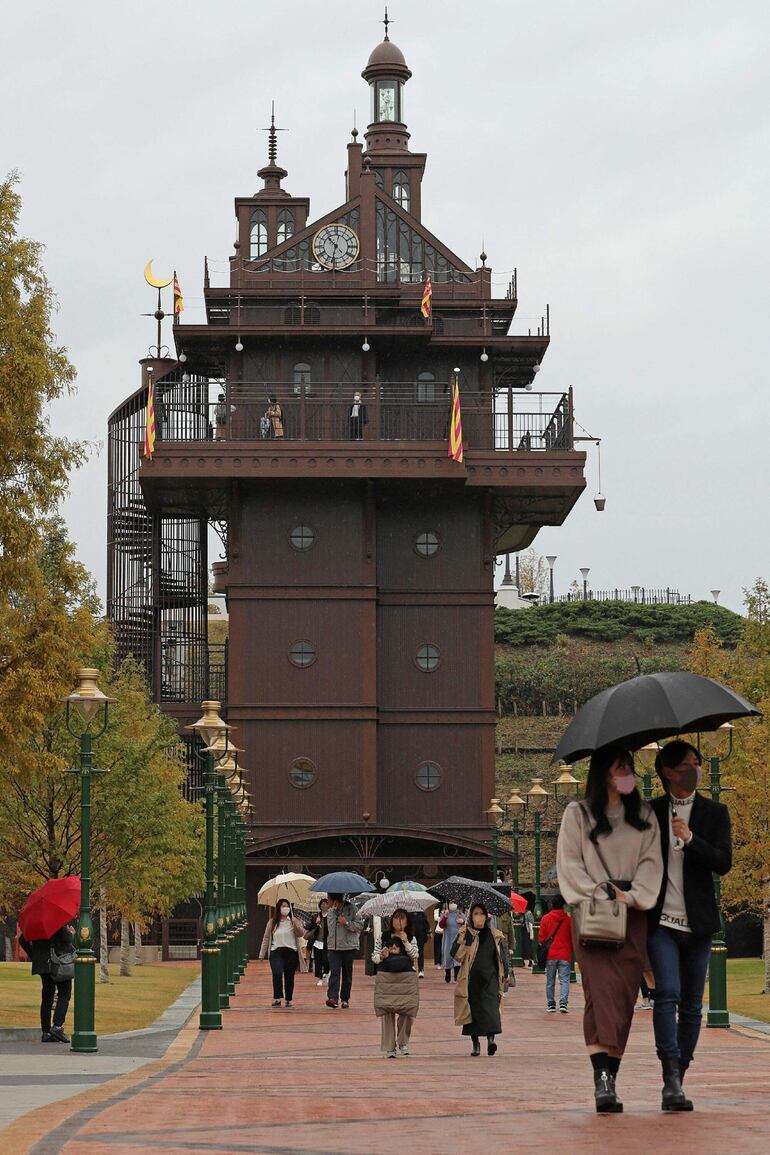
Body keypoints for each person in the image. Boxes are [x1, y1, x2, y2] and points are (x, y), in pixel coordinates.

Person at [556, 744, 663, 1114]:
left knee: (623, 997)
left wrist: (630, 896)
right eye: (620, 767)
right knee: (599, 991)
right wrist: (601, 892)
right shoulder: (579, 814)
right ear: (603, 773)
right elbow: (570, 863)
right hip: (592, 914)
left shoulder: (645, 816)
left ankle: (611, 1072)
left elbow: (652, 864)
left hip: (632, 916)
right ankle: (603, 1079)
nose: (627, 773)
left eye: (629, 766)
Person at [647, 740, 732, 1112]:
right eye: (687, 763)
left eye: (697, 762)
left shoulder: (715, 812)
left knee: (693, 1006)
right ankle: (668, 1074)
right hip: (660, 921)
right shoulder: (650, 813)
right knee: (667, 993)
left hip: (697, 923)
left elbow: (723, 862)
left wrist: (691, 838)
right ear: (668, 772)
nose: (695, 768)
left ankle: (678, 1077)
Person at [451, 902, 505, 1056]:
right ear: (471, 917)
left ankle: (491, 1040)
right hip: (471, 979)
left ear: (487, 916)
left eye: (482, 913)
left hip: (490, 978)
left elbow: (502, 957)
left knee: (491, 1009)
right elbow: (456, 955)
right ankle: (475, 1044)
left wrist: (505, 974)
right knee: (472, 1012)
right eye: (476, 913)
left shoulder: (494, 934)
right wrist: (460, 938)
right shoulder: (467, 934)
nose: (479, 916)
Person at [18, 922, 75, 1043]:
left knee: (47, 997)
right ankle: (57, 1026)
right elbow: (68, 939)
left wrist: (34, 955)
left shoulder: (34, 925)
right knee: (65, 993)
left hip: (43, 964)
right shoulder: (56, 922)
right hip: (57, 962)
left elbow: (22, 939)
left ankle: (46, 1031)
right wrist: (71, 933)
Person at [373, 935, 420, 1057]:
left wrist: (405, 941)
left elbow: (415, 955)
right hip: (386, 978)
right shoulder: (383, 936)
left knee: (406, 1011)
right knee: (387, 1012)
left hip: (405, 979)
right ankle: (390, 1047)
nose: (394, 946)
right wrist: (381, 956)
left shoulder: (410, 937)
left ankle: (403, 1042)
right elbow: (374, 957)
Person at [258, 901, 308, 1007]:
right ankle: (277, 997)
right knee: (277, 973)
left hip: (291, 951)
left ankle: (288, 999)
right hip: (276, 951)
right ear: (279, 908)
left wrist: (296, 925)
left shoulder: (293, 920)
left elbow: (301, 934)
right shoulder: (272, 922)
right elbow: (266, 938)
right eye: (283, 906)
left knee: (289, 976)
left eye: (287, 906)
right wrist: (262, 954)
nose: (285, 908)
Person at [324, 893, 364, 1009]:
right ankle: (333, 997)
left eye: (329, 899)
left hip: (348, 946)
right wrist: (336, 912)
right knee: (334, 973)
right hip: (333, 947)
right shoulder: (331, 912)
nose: (327, 902)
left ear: (335, 899)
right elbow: (330, 929)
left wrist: (346, 923)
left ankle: (345, 998)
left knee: (347, 974)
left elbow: (360, 925)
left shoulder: (352, 909)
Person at [538, 894, 572, 1013]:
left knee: (550, 980)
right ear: (563, 905)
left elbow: (541, 938)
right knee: (564, 980)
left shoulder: (545, 918)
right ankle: (563, 1003)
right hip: (565, 953)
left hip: (550, 954)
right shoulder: (568, 920)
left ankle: (551, 1004)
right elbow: (572, 937)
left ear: (552, 905)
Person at [304, 898, 330, 986]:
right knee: (318, 961)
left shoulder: (331, 916)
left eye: (326, 904)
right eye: (322, 904)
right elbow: (310, 927)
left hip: (327, 943)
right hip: (317, 942)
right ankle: (320, 978)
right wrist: (316, 923)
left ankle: (326, 973)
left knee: (326, 960)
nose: (324, 905)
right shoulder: (316, 916)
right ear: (320, 906)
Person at [440, 902, 465, 982]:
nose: (453, 904)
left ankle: (456, 975)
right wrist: (445, 917)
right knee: (448, 955)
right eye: (451, 902)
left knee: (457, 954)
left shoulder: (460, 914)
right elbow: (441, 925)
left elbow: (466, 924)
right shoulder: (444, 913)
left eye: (454, 902)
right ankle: (447, 973)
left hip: (457, 938)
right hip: (448, 938)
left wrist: (463, 922)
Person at [412, 910, 432, 978]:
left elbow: (425, 922)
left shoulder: (421, 912)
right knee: (410, 951)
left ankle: (421, 970)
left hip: (421, 935)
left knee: (420, 952)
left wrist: (429, 932)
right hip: (411, 935)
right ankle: (411, 966)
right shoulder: (408, 912)